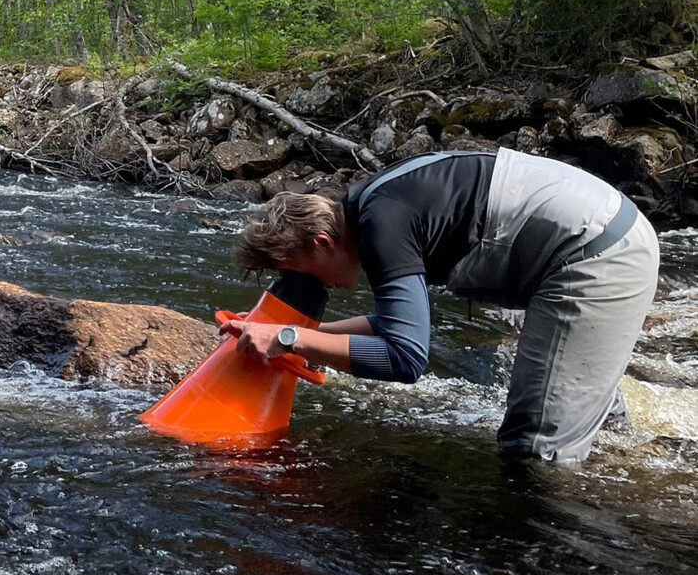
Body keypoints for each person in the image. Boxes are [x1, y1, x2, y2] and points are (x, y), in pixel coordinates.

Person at [227, 147, 659, 463]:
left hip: (597, 252)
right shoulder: (372, 207)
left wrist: (288, 337)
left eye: (296, 271)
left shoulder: (382, 225)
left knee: (533, 448)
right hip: (598, 235)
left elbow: (405, 358)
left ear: (322, 243)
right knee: (587, 425)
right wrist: (304, 336)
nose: (303, 284)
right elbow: (394, 326)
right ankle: (633, 466)